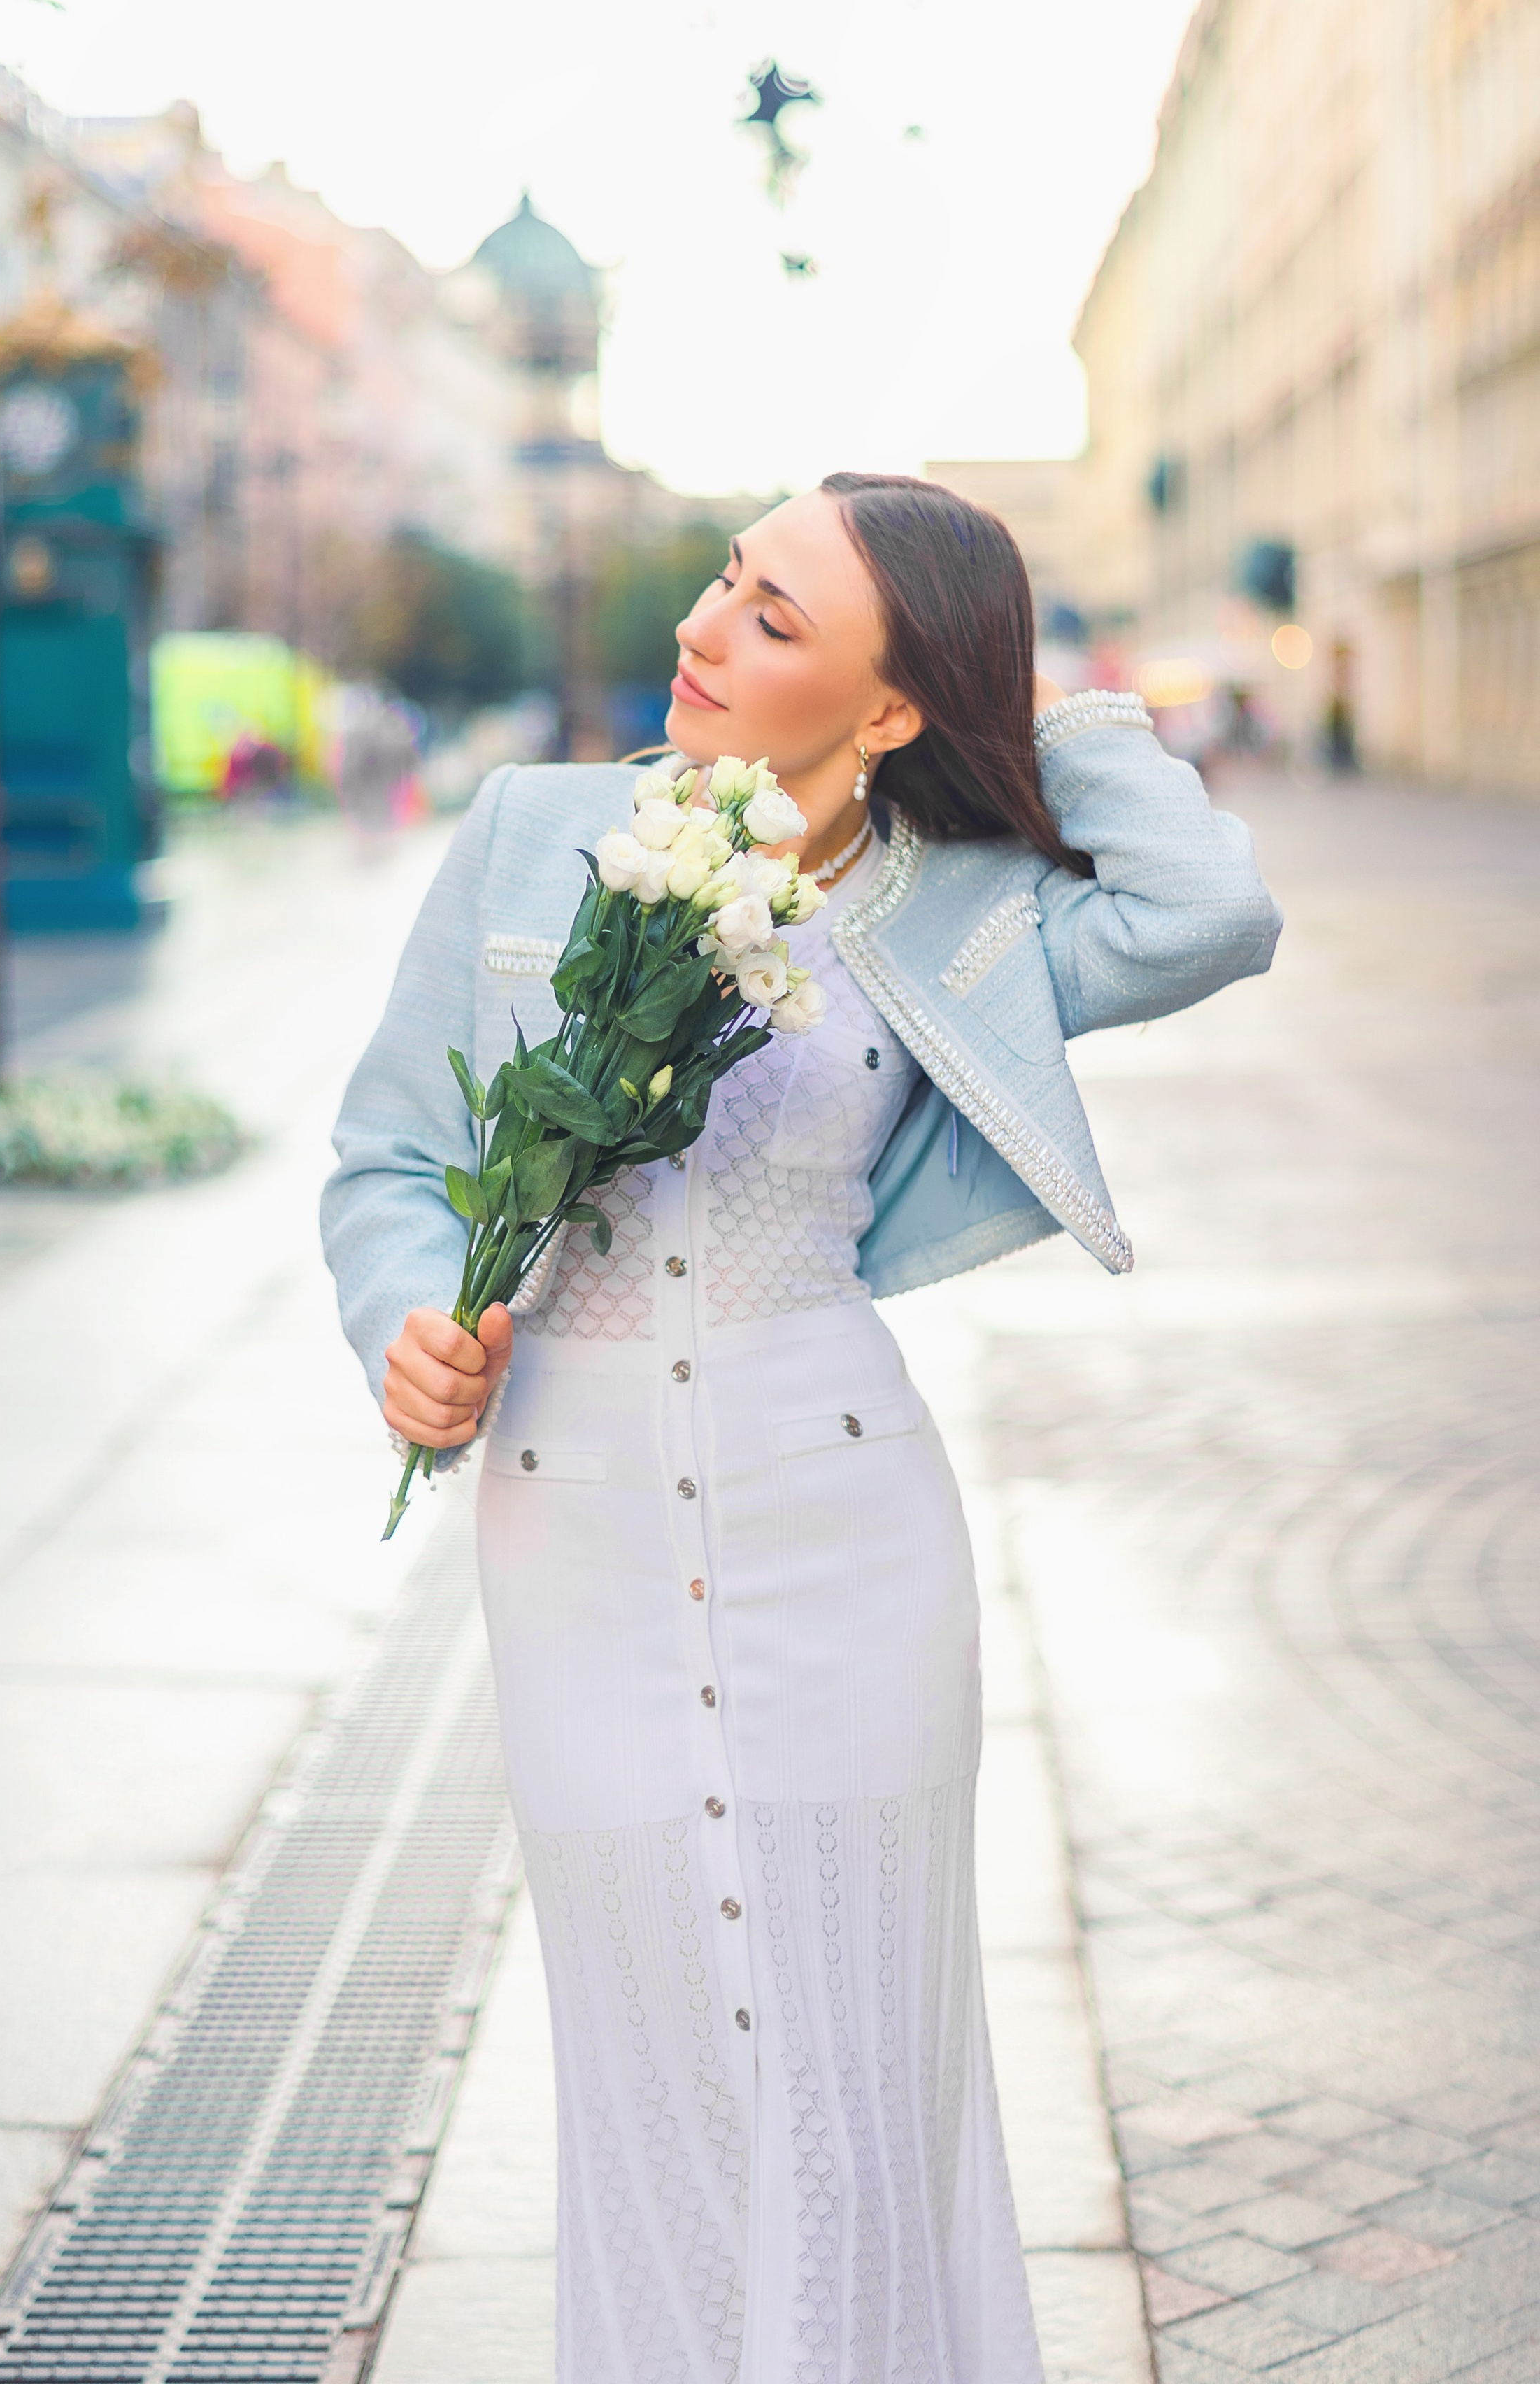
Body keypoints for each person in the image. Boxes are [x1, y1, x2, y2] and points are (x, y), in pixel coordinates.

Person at [321, 474, 1281, 2383]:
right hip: (569, 1527)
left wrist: (1058, 719)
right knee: (656, 2055)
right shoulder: (534, 834)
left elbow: (1214, 913)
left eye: (774, 619)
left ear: (893, 704)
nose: (702, 626)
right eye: (724, 581)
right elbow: (389, 1160)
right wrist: (409, 1324)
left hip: (842, 1524)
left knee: (856, 2051)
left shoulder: (968, 910)